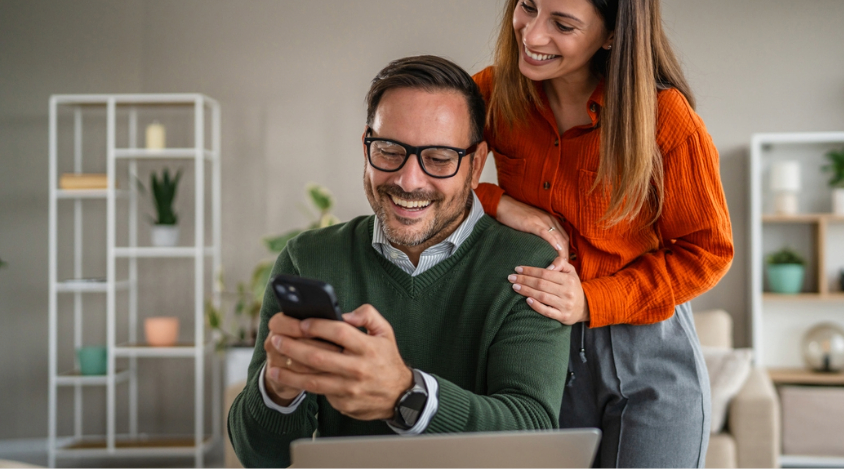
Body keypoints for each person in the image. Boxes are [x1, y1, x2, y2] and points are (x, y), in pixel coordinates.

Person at [227, 55, 571, 468]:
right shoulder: (309, 259)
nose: (408, 181)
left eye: (439, 159)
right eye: (389, 151)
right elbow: (259, 458)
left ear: (476, 165)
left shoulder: (530, 265)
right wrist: (277, 388)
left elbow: (532, 440)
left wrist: (407, 395)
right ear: (366, 146)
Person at [473, 0, 734, 466]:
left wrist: (592, 302)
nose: (531, 36)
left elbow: (708, 252)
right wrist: (502, 204)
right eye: (528, 7)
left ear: (612, 35)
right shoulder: (492, 91)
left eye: (563, 24)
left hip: (649, 353)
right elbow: (428, 177)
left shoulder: (666, 117)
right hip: (537, 345)